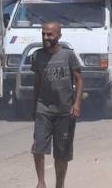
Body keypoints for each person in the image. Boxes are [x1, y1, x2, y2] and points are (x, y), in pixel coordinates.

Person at [31, 22, 83, 188]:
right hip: (43, 109)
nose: (46, 37)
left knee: (61, 155)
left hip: (64, 112)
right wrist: (34, 105)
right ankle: (41, 182)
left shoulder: (68, 55)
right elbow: (37, 81)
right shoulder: (37, 56)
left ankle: (59, 185)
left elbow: (79, 80)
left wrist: (77, 104)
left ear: (59, 35)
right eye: (43, 34)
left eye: (49, 34)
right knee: (38, 147)